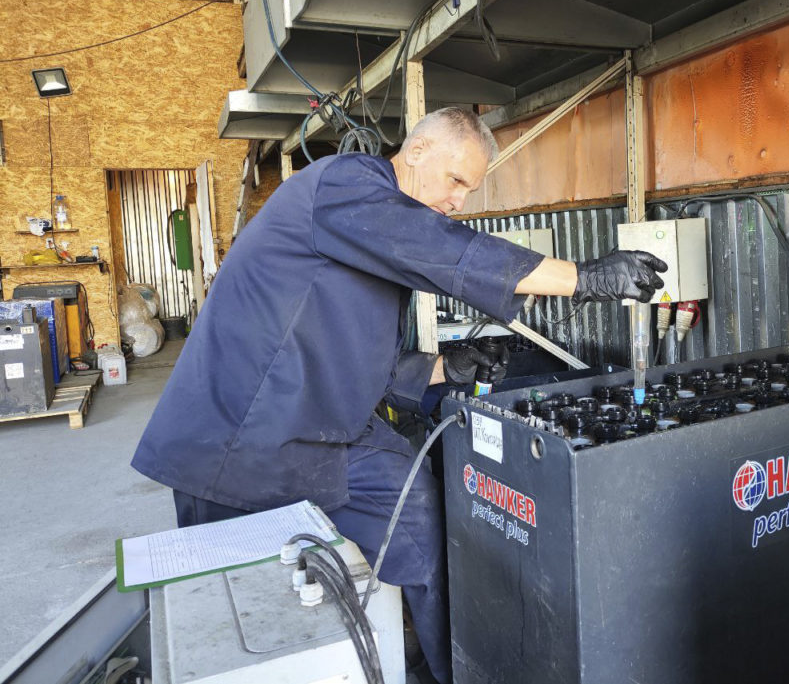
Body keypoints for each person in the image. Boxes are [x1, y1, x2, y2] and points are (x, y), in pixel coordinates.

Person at [130, 107, 666, 684]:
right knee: (246, 616)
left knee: (417, 516)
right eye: (456, 181)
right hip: (240, 439)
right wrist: (582, 277)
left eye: (470, 190)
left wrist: (445, 366)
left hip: (330, 436)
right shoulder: (345, 185)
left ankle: (447, 669)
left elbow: (366, 360)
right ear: (415, 152)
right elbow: (440, 246)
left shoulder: (373, 234)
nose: (460, 202)